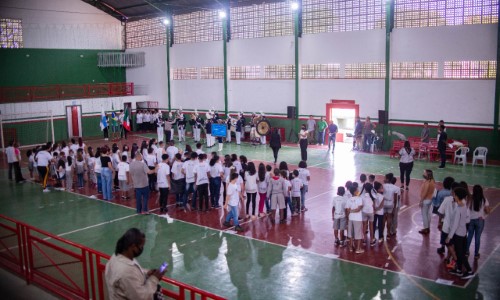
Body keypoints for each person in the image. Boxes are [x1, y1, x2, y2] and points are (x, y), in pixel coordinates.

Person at [105, 228, 167, 300]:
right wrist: (154, 278)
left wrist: (146, 273)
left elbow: (134, 274)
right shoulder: (126, 271)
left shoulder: (117, 257)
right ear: (133, 246)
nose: (142, 249)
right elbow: (142, 297)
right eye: (141, 246)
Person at [447, 187, 475, 279]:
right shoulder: (463, 205)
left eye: (454, 194)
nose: (453, 196)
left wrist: (449, 236)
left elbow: (455, 224)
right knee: (460, 253)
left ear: (457, 196)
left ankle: (469, 270)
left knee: (460, 254)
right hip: (463, 233)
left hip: (458, 234)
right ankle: (459, 270)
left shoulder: (459, 209)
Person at [466, 185, 490, 260]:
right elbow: (487, 210)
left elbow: (468, 208)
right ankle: (476, 254)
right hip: (480, 220)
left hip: (471, 220)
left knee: (469, 236)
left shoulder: (470, 199)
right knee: (477, 237)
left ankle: (466, 251)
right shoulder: (484, 199)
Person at [346, 185, 364, 254]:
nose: (358, 191)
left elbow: (347, 210)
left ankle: (350, 247)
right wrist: (353, 210)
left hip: (351, 218)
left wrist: (350, 212)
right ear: (355, 192)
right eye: (357, 190)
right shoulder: (359, 199)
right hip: (358, 219)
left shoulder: (349, 199)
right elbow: (358, 209)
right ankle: (358, 248)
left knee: (350, 234)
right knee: (358, 234)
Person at [419, 169, 435, 234]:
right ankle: (428, 227)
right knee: (428, 214)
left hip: (426, 200)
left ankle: (426, 228)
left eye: (424, 173)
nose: (423, 174)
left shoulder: (427, 182)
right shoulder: (432, 181)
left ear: (427, 174)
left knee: (424, 214)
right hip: (430, 199)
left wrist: (421, 201)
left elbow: (425, 192)